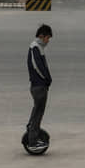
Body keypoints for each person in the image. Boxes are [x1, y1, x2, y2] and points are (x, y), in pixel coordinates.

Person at [26, 24, 53, 152]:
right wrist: (46, 79)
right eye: (47, 38)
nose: (48, 41)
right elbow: (38, 67)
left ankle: (31, 131)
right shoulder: (35, 47)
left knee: (37, 111)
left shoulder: (38, 47)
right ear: (41, 36)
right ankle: (32, 141)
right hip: (38, 86)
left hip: (40, 85)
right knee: (38, 113)